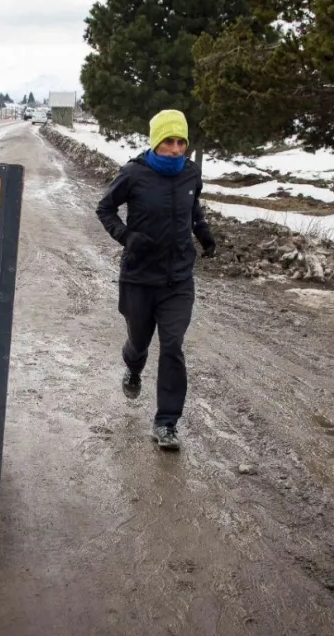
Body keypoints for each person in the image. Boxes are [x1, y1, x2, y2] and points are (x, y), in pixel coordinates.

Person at [95, 109, 216, 450]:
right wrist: (126, 236)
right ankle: (134, 367)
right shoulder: (134, 174)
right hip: (139, 276)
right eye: (169, 142)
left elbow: (193, 208)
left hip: (178, 279)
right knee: (138, 342)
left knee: (173, 346)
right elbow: (104, 209)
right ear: (155, 142)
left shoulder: (190, 174)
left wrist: (203, 233)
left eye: (181, 142)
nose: (176, 149)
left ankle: (166, 423)